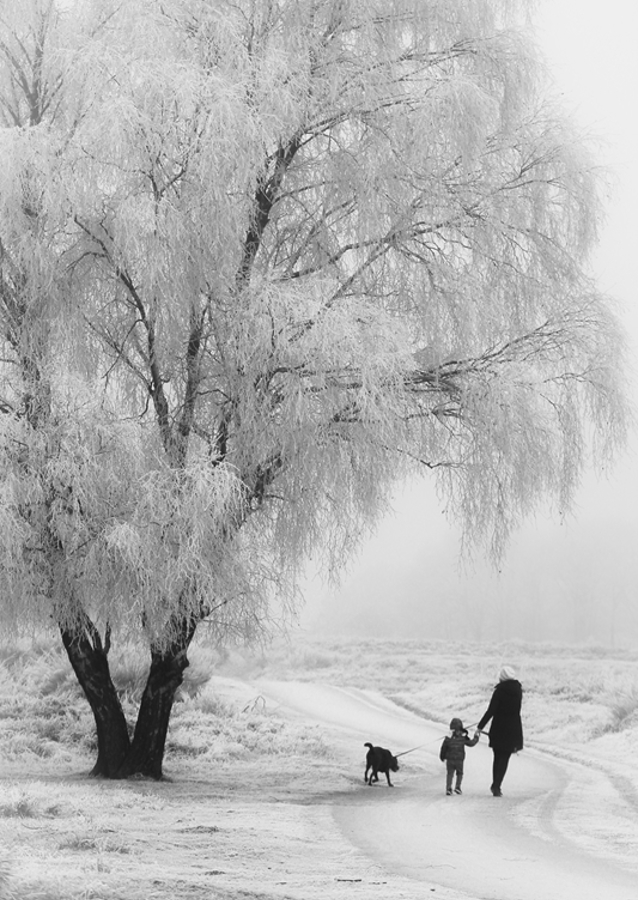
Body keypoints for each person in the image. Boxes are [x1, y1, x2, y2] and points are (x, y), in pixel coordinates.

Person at [477, 665, 523, 797]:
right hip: (513, 727)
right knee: (505, 757)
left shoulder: (499, 691)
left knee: (497, 756)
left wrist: (480, 726)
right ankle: (497, 785)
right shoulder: (518, 691)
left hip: (499, 726)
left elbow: (491, 710)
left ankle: (495, 785)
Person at [439, 717, 479, 795]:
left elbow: (443, 748)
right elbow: (471, 743)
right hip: (459, 759)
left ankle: (448, 788)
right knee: (459, 773)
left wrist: (442, 756)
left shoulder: (448, 737)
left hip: (450, 759)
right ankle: (458, 787)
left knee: (450, 774)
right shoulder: (463, 737)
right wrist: (476, 737)